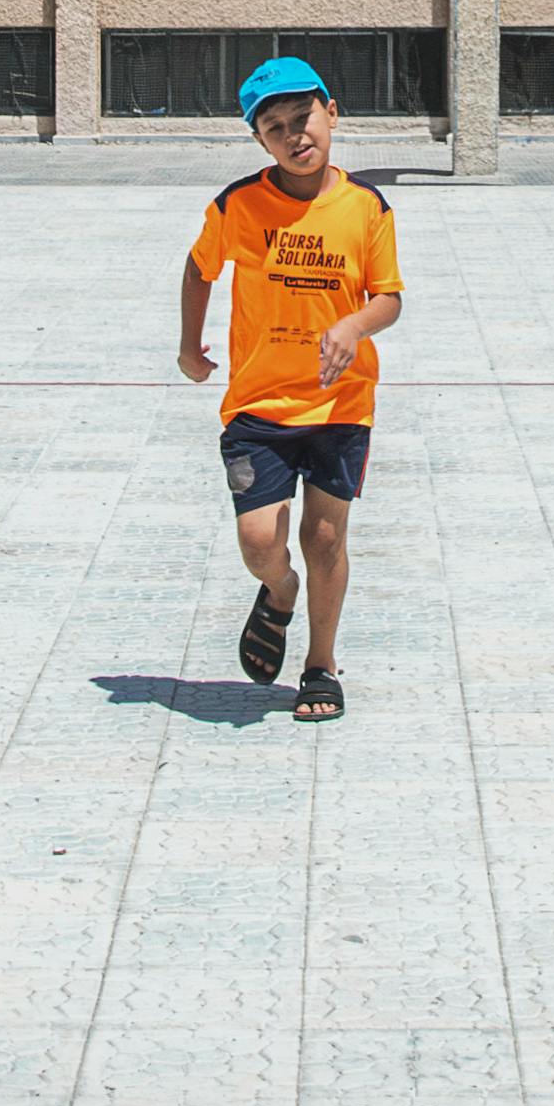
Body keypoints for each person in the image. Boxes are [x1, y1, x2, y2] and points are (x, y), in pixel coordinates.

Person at [177, 55, 403, 723]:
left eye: (302, 117)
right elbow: (198, 270)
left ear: (330, 112)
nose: (294, 134)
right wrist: (190, 347)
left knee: (326, 539)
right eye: (274, 126)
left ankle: (319, 665)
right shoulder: (238, 205)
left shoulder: (366, 208)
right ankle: (279, 593)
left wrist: (352, 326)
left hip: (341, 404)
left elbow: (388, 299)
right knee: (259, 542)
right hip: (259, 404)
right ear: (260, 141)